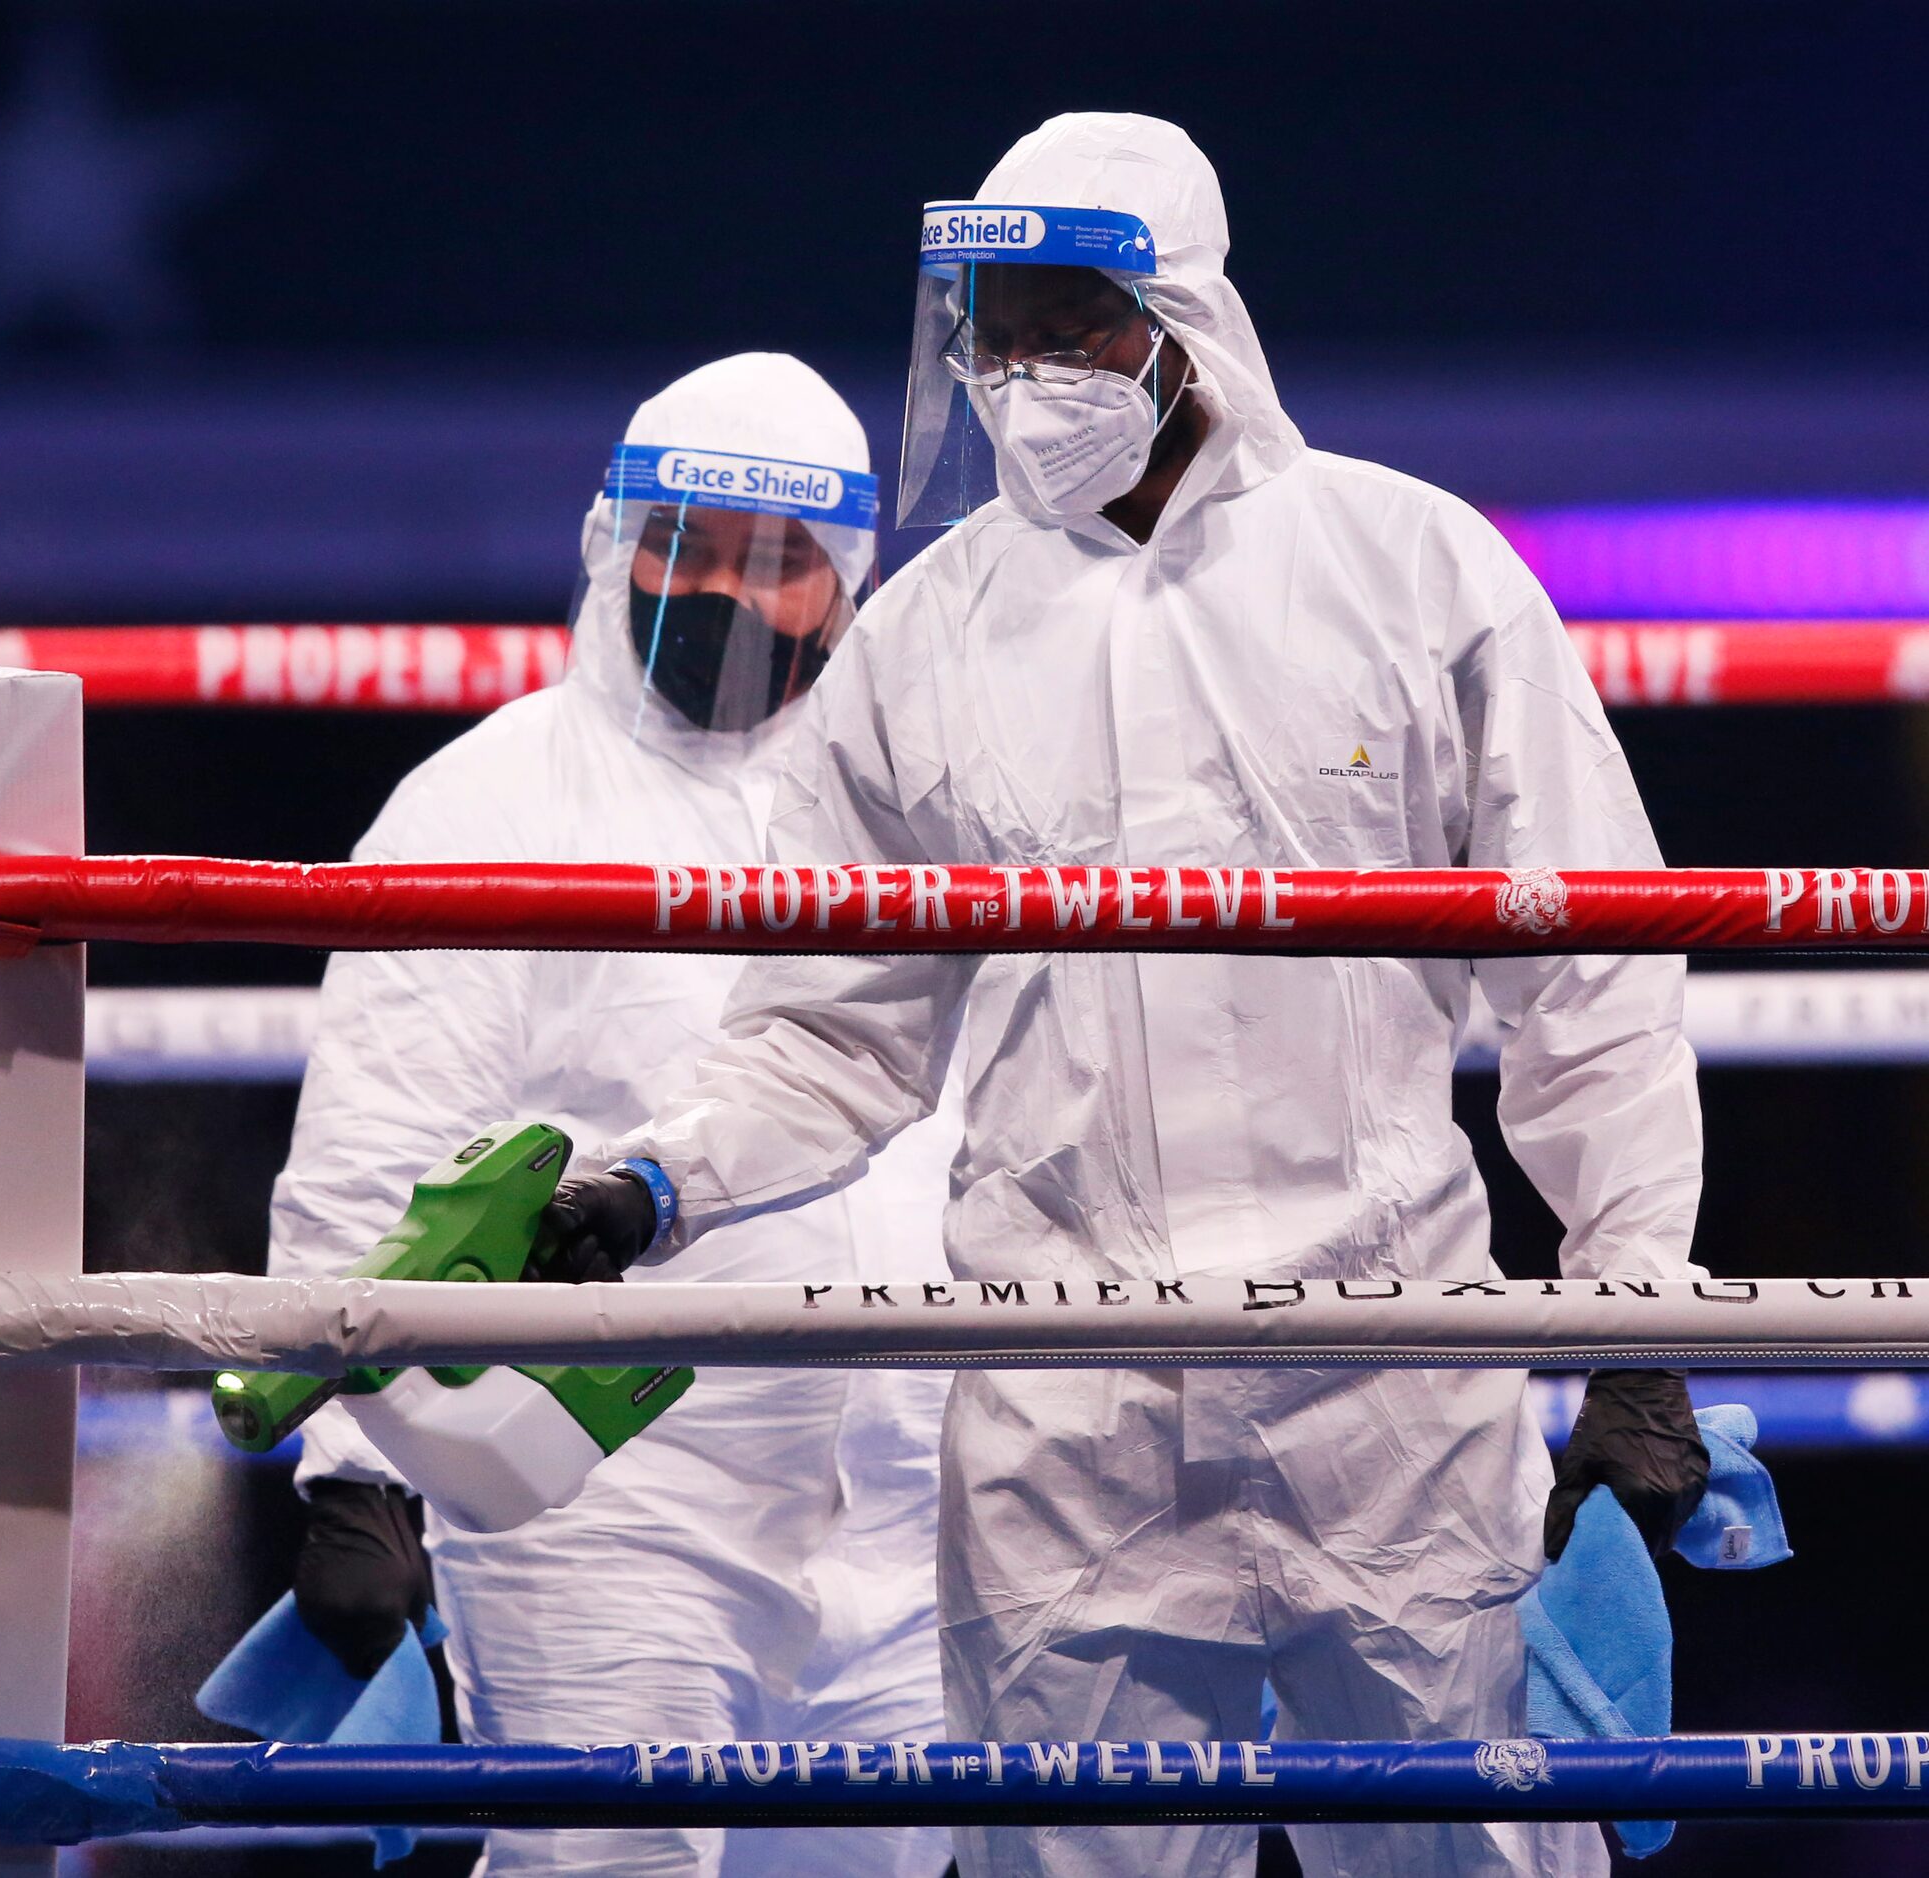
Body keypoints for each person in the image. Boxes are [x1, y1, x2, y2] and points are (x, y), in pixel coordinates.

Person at [560, 115, 1710, 1878]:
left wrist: (1637, 1328)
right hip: (1064, 1398)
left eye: (1071, 321)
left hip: (1387, 1375)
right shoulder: (928, 634)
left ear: (1183, 321)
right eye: (995, 325)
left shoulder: (1415, 569)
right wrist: (652, 1184)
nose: (1025, 369)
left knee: (1474, 1865)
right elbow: (828, 1024)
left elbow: (1591, 974)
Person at [267, 351, 958, 1878]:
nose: (725, 590)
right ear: (616, 546)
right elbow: (372, 1156)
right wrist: (356, 1463)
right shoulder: (487, 805)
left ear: (846, 580)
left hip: (914, 1503)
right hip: (601, 1487)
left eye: (774, 560)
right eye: (687, 545)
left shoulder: (925, 806)